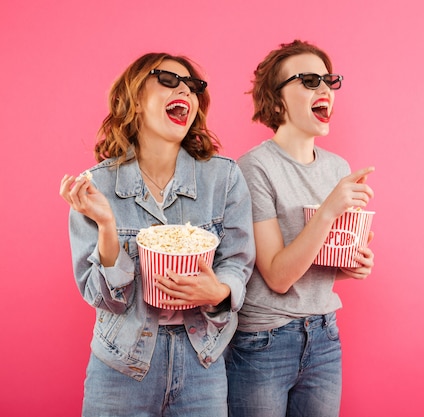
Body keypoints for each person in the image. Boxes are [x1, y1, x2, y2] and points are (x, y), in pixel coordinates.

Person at [59, 52, 255, 417]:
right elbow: (105, 299)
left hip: (203, 360)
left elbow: (238, 261)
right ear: (134, 99)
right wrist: (106, 226)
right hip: (121, 363)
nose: (186, 90)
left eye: (193, 86)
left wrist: (220, 292)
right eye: (169, 79)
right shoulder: (96, 186)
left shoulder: (224, 178)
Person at [224, 40, 375, 417]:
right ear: (277, 101)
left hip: (324, 335)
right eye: (309, 80)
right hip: (264, 342)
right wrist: (329, 210)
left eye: (328, 80)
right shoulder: (253, 169)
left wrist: (350, 264)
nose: (324, 89)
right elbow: (277, 275)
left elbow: (318, 260)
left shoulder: (337, 169)